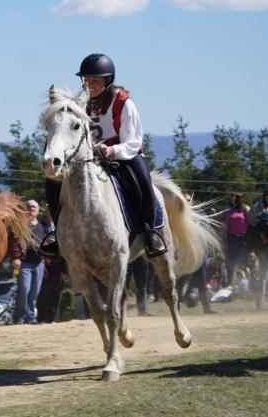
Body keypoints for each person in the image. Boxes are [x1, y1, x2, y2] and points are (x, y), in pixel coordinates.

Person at [44, 53, 167, 258]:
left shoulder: (123, 102)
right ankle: (57, 233)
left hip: (122, 155)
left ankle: (149, 231)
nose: (89, 84)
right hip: (88, 158)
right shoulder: (80, 103)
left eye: (95, 80)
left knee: (142, 180)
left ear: (108, 80)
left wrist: (113, 150)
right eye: (86, 80)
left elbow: (134, 140)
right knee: (52, 182)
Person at [10, 200, 49, 325]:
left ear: (37, 210)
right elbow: (14, 241)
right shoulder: (20, 225)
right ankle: (19, 318)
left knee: (34, 292)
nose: (31, 208)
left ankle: (31, 317)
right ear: (25, 209)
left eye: (34, 206)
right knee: (24, 289)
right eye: (29, 206)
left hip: (39, 263)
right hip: (24, 263)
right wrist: (15, 257)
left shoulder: (42, 227)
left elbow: (46, 242)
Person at [216, 193, 250, 286]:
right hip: (232, 238)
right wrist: (212, 214)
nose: (232, 200)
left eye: (234, 199)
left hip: (243, 238)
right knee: (232, 260)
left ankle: (246, 283)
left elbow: (250, 221)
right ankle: (230, 282)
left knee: (244, 259)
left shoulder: (245, 209)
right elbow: (218, 216)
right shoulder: (228, 210)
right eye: (231, 199)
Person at [36, 256, 68, 323]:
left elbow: (63, 258)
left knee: (55, 296)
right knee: (43, 296)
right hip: (43, 271)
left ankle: (54, 319)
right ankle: (41, 319)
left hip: (57, 271)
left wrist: (65, 272)